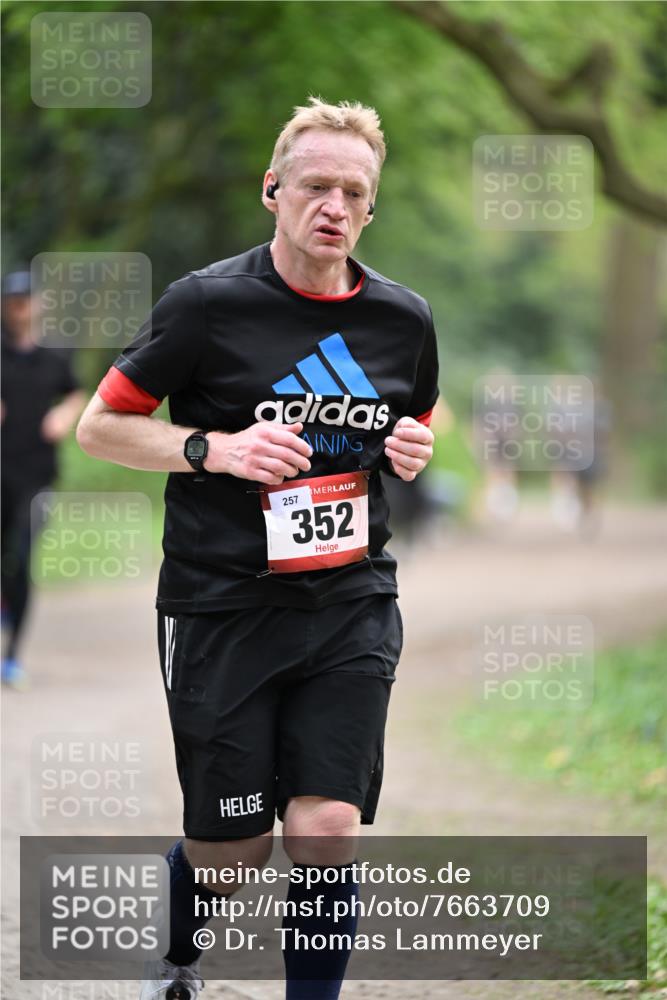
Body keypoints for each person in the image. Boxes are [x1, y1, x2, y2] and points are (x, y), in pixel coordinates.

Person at [77, 97, 439, 1000]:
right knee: (231, 849)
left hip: (348, 602)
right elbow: (100, 426)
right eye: (316, 185)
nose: (334, 205)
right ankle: (178, 957)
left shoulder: (403, 319)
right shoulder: (206, 305)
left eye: (353, 192)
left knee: (325, 828)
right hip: (221, 606)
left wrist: (409, 447)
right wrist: (215, 449)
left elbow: (413, 417)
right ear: (272, 192)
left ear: (369, 209)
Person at [1, 270, 85, 689]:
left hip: (37, 475)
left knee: (21, 555)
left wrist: (63, 415)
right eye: (12, 302)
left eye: (26, 300)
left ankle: (12, 656)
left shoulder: (55, 353)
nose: (19, 309)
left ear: (39, 304)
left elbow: (76, 392)